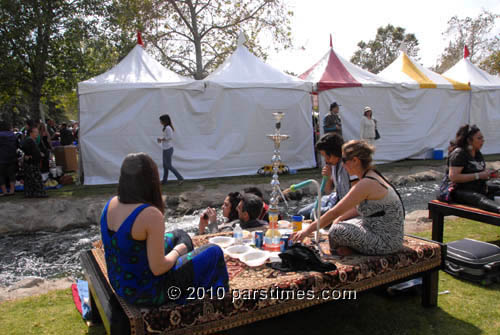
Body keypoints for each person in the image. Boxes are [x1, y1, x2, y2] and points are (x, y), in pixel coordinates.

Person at [100, 153, 228, 306]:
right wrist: (177, 251)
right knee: (214, 251)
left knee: (180, 234)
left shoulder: (110, 203)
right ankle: (219, 301)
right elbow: (158, 268)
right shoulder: (149, 214)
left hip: (121, 284)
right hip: (148, 292)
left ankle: (189, 273)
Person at [293, 140, 404, 256]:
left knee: (336, 231)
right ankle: (351, 249)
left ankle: (346, 252)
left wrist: (306, 231)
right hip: (384, 232)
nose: (342, 164)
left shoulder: (366, 183)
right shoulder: (371, 174)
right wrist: (339, 219)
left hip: (386, 241)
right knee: (342, 223)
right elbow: (355, 208)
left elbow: (334, 212)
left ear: (355, 160)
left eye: (344, 160)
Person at [297, 133, 355, 219]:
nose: (326, 160)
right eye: (324, 156)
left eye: (327, 156)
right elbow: (328, 191)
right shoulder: (333, 165)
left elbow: (353, 199)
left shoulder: (349, 166)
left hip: (345, 206)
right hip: (333, 199)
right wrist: (327, 177)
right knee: (301, 213)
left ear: (335, 152)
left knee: (314, 215)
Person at [445, 124, 500, 213]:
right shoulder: (459, 153)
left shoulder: (477, 153)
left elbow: (479, 173)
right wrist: (478, 175)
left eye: (483, 138)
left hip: (477, 187)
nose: (483, 141)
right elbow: (453, 177)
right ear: (469, 140)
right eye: (479, 138)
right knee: (479, 198)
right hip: (458, 190)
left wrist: (490, 175)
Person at [21, 127, 47, 198]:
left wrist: (39, 153)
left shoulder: (31, 140)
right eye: (35, 132)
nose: (37, 134)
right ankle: (39, 192)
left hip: (32, 162)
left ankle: (31, 193)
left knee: (30, 179)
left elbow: (35, 151)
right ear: (31, 133)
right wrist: (29, 155)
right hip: (31, 163)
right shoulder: (29, 140)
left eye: (37, 132)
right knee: (35, 178)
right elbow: (23, 148)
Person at [158, 114, 184, 185]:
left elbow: (170, 137)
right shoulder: (166, 128)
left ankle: (180, 178)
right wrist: (162, 139)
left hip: (168, 149)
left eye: (161, 120)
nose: (160, 122)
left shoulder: (168, 128)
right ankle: (164, 181)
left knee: (168, 165)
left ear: (165, 121)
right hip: (166, 148)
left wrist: (161, 139)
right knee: (165, 166)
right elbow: (167, 137)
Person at [0, 121, 17, 196]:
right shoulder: (13, 134)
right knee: (11, 174)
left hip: (2, 157)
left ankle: (4, 191)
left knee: (1, 175)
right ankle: (12, 190)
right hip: (12, 157)